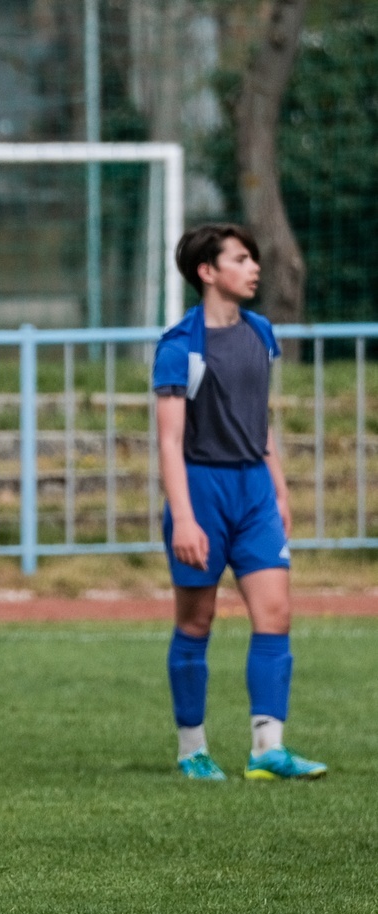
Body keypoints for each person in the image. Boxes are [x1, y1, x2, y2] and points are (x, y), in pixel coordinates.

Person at [154, 224, 326, 782]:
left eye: (254, 258)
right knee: (196, 620)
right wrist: (184, 517)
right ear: (208, 272)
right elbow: (169, 442)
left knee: (275, 613)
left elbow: (258, 416)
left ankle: (267, 749)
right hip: (201, 490)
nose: (254, 268)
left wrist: (278, 486)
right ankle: (192, 749)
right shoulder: (179, 346)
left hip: (254, 490)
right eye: (241, 259)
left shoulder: (261, 332)